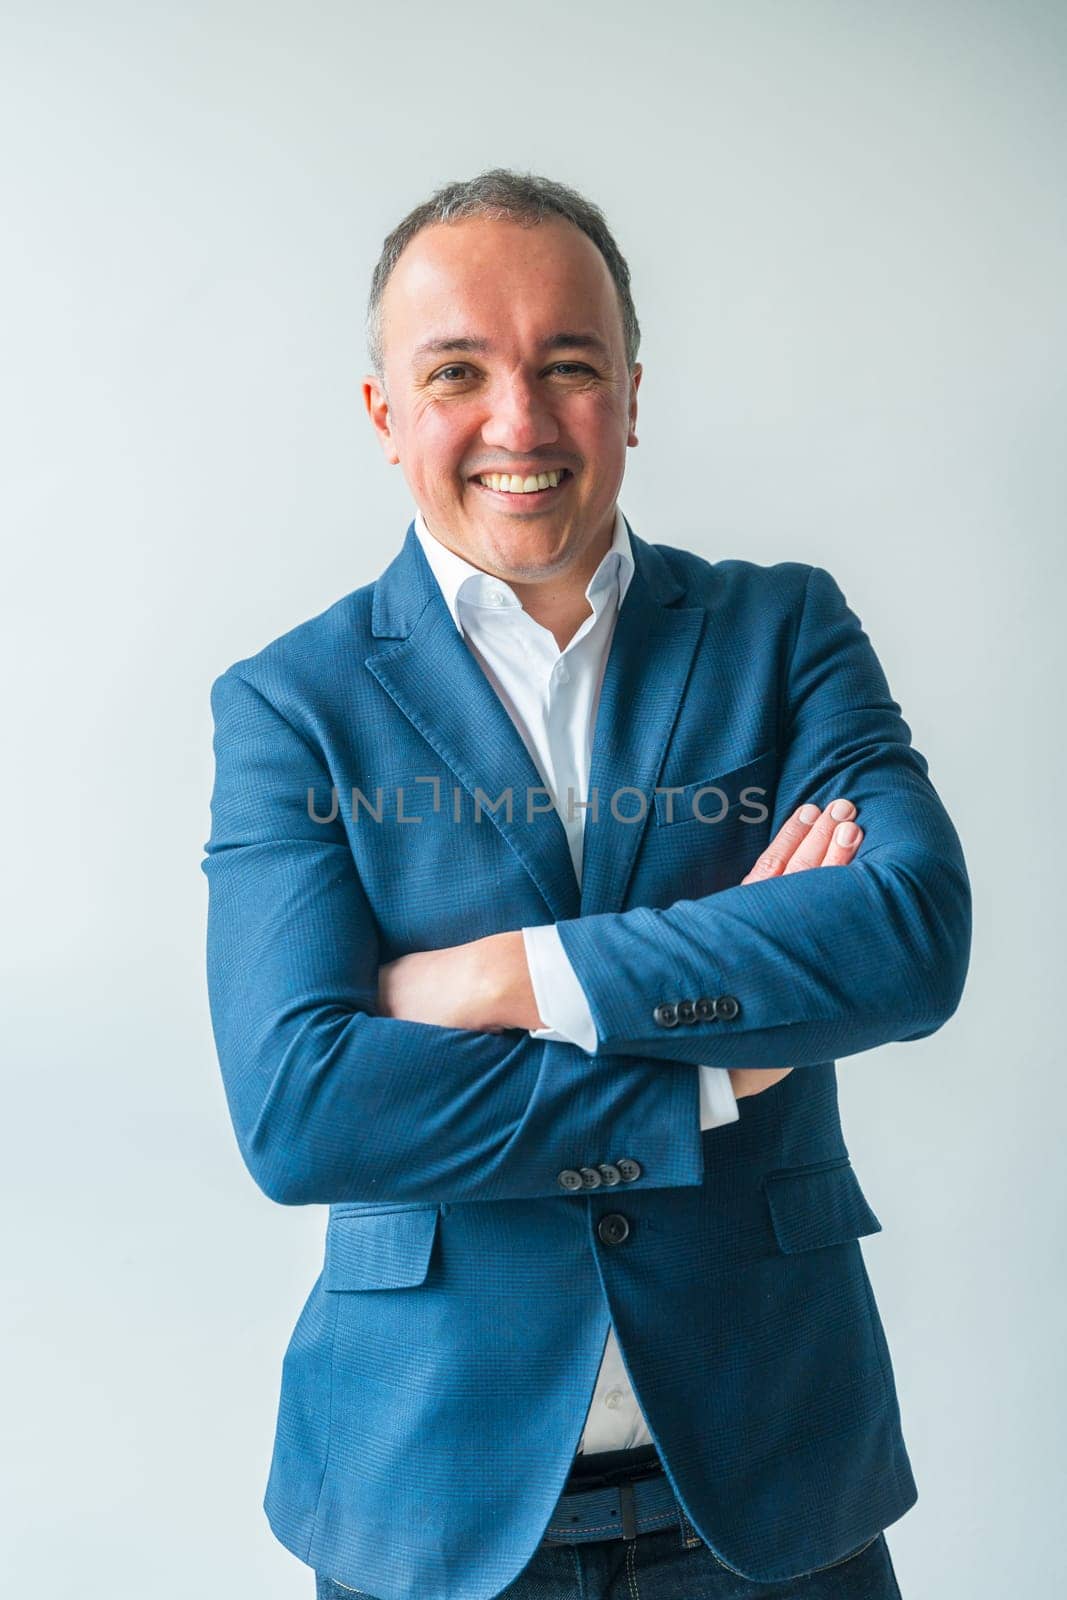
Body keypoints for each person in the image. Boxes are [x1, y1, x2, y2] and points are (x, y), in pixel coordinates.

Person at [201, 169, 971, 1600]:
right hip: (428, 1501)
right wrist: (705, 1080)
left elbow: (911, 937)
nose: (521, 421)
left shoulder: (782, 628)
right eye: (457, 372)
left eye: (568, 366)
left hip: (774, 1482)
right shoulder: (293, 705)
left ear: (630, 389)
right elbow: (301, 1107)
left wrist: (507, 978)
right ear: (385, 414)